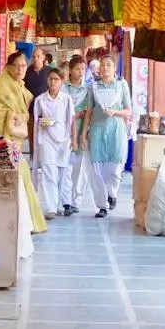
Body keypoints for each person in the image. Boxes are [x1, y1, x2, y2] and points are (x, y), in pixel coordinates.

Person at [0, 50, 50, 232]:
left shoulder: (19, 86)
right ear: (8, 67)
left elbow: (25, 107)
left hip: (15, 139)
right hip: (2, 142)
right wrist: (9, 115)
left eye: (24, 65)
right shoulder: (0, 84)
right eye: (16, 66)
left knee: (21, 177)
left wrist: (18, 116)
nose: (20, 69)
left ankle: (27, 223)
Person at [81, 51, 134, 218]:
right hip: (97, 130)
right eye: (102, 65)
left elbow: (128, 110)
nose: (104, 68)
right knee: (97, 169)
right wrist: (83, 134)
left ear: (114, 69)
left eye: (108, 65)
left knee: (115, 169)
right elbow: (89, 111)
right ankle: (102, 205)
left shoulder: (121, 85)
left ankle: (112, 193)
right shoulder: (93, 87)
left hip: (116, 131)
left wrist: (115, 113)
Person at [32, 67, 76, 216]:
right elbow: (36, 121)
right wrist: (45, 123)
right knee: (49, 172)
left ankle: (59, 202)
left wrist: (74, 140)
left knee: (61, 174)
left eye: (56, 79)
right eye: (50, 79)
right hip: (46, 139)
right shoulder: (40, 100)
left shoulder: (66, 99)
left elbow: (71, 120)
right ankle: (50, 208)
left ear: (61, 82)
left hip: (63, 140)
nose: (52, 82)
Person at [63, 54, 94, 211]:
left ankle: (77, 200)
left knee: (80, 169)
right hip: (65, 132)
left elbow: (89, 110)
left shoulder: (88, 89)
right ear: (70, 70)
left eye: (83, 69)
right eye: (77, 69)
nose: (81, 72)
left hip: (82, 130)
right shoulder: (64, 88)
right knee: (66, 166)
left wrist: (83, 130)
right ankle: (66, 199)